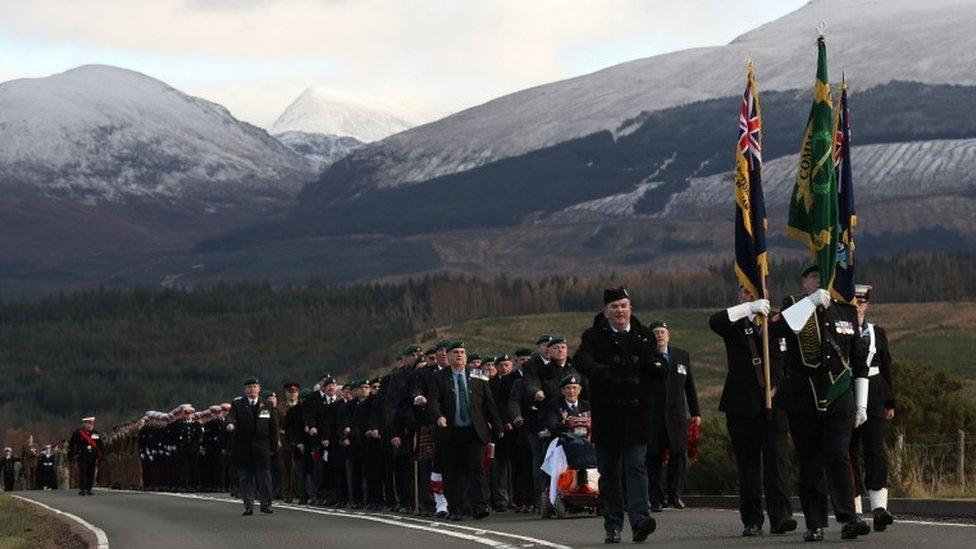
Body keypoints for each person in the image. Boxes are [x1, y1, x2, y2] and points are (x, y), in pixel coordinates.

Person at [770, 265, 870, 541]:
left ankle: (849, 518)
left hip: (839, 397)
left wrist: (860, 403)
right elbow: (777, 329)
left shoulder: (846, 311)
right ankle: (814, 523)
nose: (818, 281)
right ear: (804, 283)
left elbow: (858, 359)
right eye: (813, 277)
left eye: (822, 276)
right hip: (804, 397)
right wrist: (811, 303)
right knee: (810, 461)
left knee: (838, 455)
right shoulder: (794, 306)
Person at [574, 287, 662, 544]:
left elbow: (657, 364)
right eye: (614, 307)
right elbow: (581, 358)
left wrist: (657, 368)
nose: (620, 311)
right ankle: (612, 524)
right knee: (610, 473)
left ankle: (639, 521)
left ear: (630, 308)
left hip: (637, 415)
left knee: (636, 466)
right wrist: (599, 372)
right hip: (608, 415)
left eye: (623, 305)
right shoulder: (593, 336)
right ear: (605, 311)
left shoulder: (644, 336)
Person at [710, 285, 796, 536]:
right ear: (739, 296)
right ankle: (752, 520)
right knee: (748, 465)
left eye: (756, 293)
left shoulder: (777, 322)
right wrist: (747, 308)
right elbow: (714, 322)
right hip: (742, 405)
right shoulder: (734, 323)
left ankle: (780, 516)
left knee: (777, 461)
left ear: (767, 296)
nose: (751, 296)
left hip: (775, 403)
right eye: (746, 293)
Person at [428, 340, 504, 521]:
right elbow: (433, 401)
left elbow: (488, 402)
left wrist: (498, 425)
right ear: (448, 356)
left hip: (474, 431)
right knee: (452, 471)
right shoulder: (439, 377)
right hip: (451, 432)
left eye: (462, 352)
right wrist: (438, 416)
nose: (460, 355)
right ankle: (455, 508)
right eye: (455, 352)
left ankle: (479, 506)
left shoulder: (478, 374)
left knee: (477, 469)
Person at [850, 284, 896, 531]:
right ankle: (854, 510)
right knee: (848, 451)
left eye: (862, 302)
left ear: (867, 304)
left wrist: (890, 401)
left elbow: (886, 364)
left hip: (875, 392)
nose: (858, 306)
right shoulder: (840, 331)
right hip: (846, 392)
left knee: (874, 449)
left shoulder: (877, 332)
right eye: (855, 302)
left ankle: (879, 508)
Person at [645, 320, 699, 512]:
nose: (659, 335)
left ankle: (675, 494)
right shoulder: (646, 357)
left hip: (677, 416)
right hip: (654, 416)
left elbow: (689, 386)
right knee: (654, 457)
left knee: (678, 454)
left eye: (662, 332)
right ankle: (656, 498)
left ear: (668, 335)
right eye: (656, 333)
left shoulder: (682, 356)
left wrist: (696, 413)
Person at [225, 375, 279, 515]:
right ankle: (248, 505)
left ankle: (266, 504)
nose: (252, 389)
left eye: (255, 387)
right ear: (245, 390)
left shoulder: (266, 404)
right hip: (243, 447)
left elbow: (273, 427)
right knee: (246, 478)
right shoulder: (238, 404)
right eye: (249, 387)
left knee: (265, 478)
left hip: (262, 447)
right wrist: (230, 424)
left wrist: (273, 447)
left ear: (259, 389)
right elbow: (230, 416)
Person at [276, 381, 302, 503]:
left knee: (299, 469)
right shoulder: (280, 407)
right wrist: (278, 440)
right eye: (290, 392)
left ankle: (301, 493)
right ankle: (288, 494)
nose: (292, 394)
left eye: (295, 392)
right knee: (286, 469)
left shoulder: (302, 405)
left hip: (300, 440)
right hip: (285, 440)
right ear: (286, 393)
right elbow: (276, 425)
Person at [68, 416, 104, 496]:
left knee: (91, 472)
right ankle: (82, 488)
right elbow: (72, 445)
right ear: (85, 424)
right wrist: (71, 455)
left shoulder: (95, 433)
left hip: (92, 456)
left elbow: (100, 444)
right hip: (82, 455)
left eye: (91, 423)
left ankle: (89, 488)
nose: (90, 425)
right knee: (83, 472)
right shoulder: (78, 433)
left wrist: (102, 454)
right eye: (89, 423)